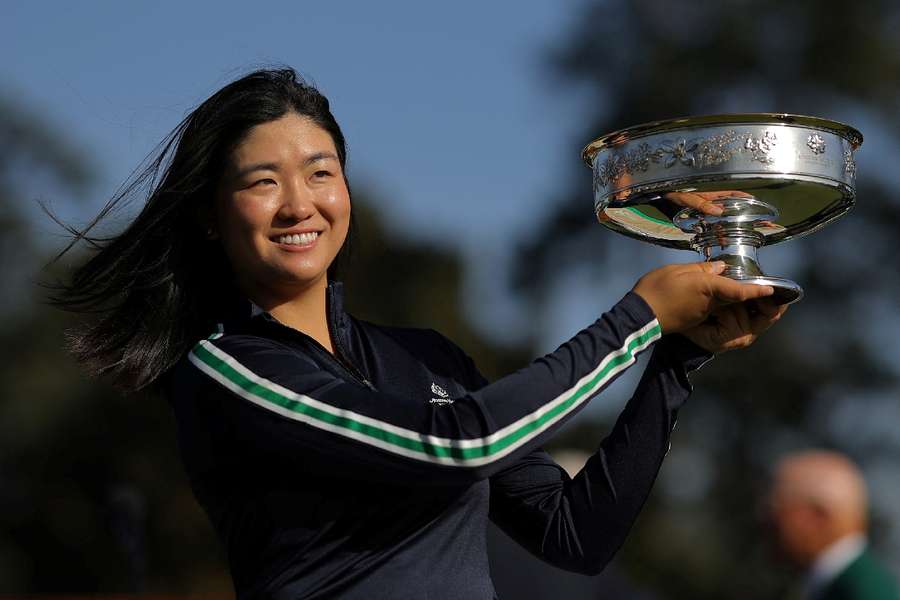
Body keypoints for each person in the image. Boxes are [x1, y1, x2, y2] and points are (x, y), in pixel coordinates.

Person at [51, 68, 785, 599]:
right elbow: (460, 445)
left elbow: (575, 536)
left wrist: (675, 359)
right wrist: (637, 319)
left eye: (320, 172)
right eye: (261, 181)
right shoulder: (230, 371)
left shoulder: (427, 357)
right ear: (211, 217)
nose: (298, 204)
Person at [767, 450, 900, 600]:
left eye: (777, 508)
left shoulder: (862, 591)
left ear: (818, 515)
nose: (770, 521)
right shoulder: (847, 585)